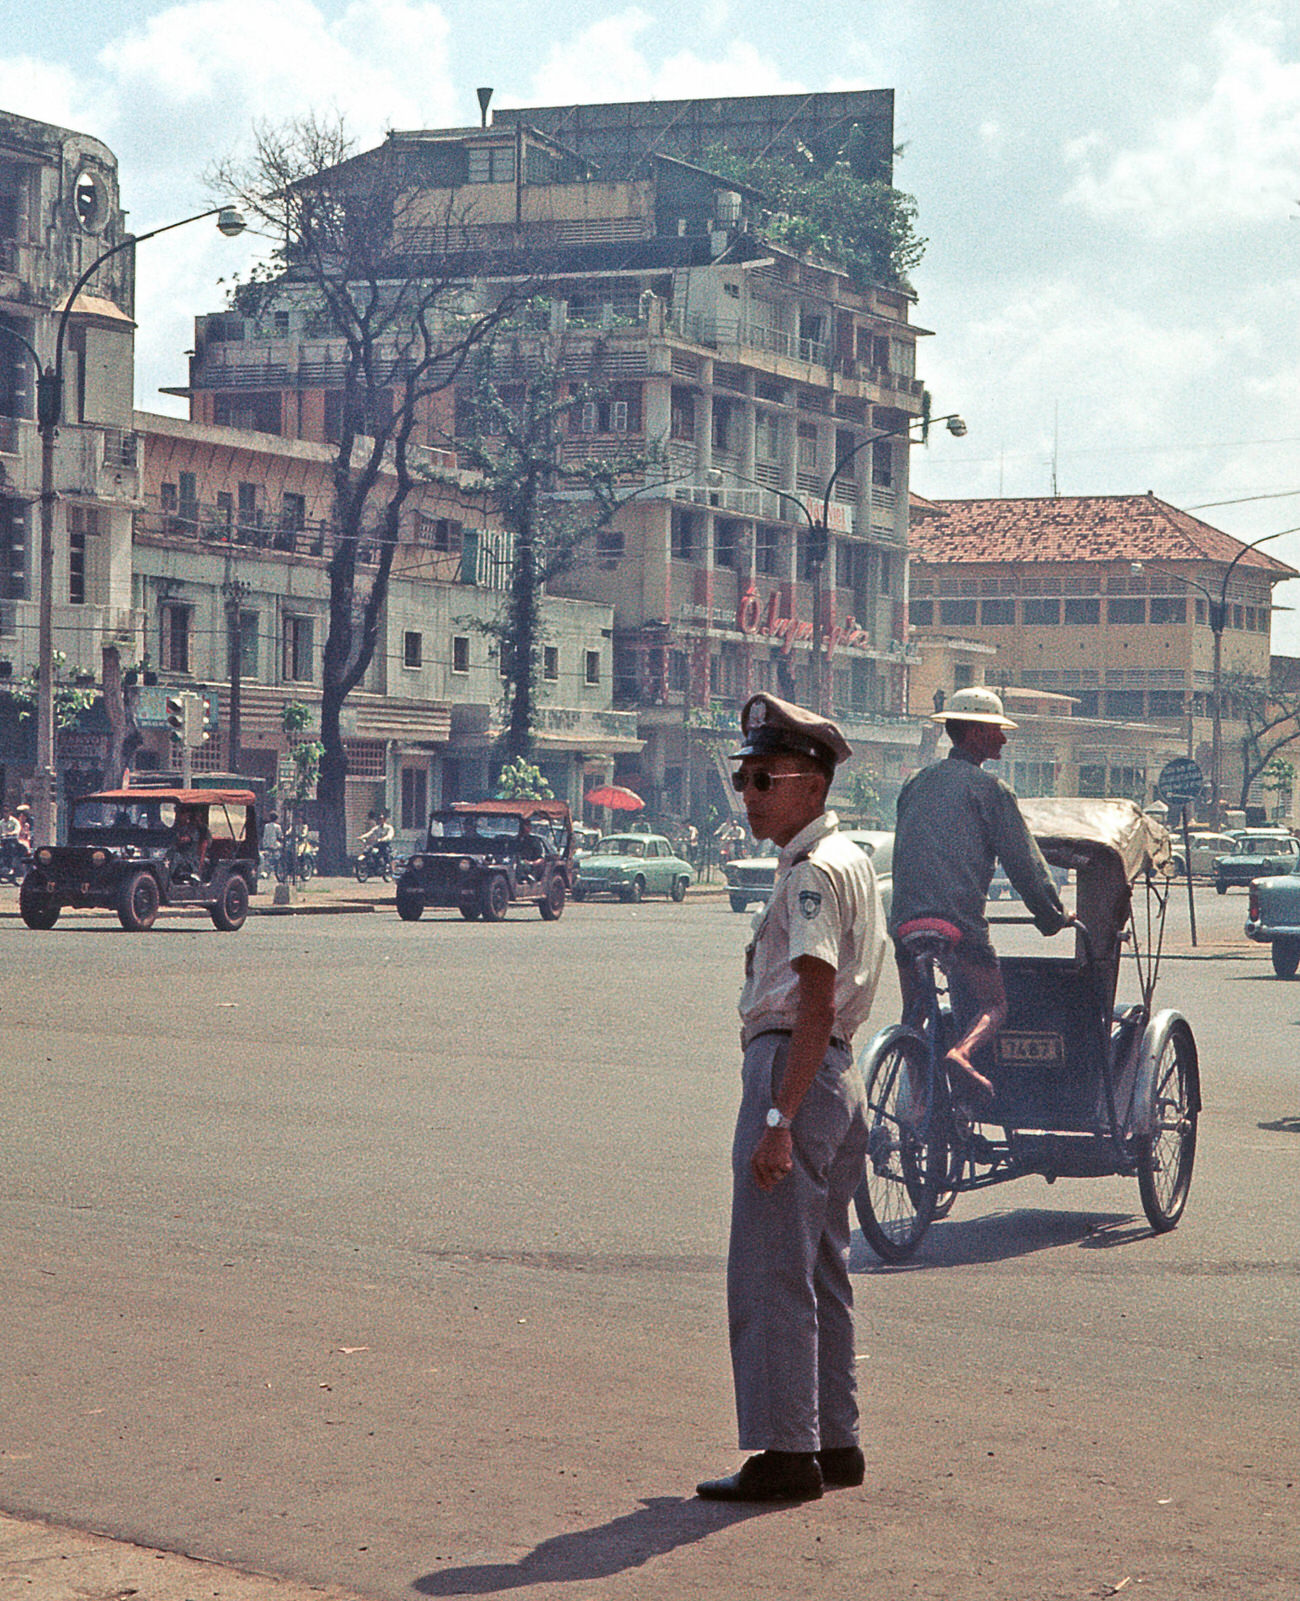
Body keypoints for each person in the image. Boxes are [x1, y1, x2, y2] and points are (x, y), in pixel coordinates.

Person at [696, 692, 886, 1505]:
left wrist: (778, 1118)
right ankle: (834, 1439)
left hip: (796, 1069)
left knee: (773, 1269)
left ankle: (787, 1452)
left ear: (811, 785)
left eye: (764, 779)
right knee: (821, 1268)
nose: (750, 795)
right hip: (835, 1074)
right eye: (744, 779)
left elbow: (814, 995)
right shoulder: (848, 859)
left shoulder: (811, 873)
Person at [889, 686, 1072, 1094]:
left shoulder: (915, 783)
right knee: (994, 1004)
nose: (1003, 738)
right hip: (956, 923)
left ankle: (915, 1098)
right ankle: (962, 1053)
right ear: (974, 733)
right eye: (996, 730)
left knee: (914, 1013)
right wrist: (1052, 917)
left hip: (904, 921)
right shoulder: (990, 790)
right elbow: (1025, 867)